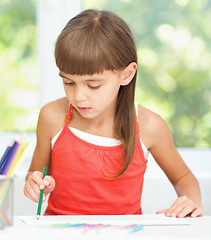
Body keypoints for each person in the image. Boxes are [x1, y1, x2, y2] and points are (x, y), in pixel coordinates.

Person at [24, 9, 203, 218]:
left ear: (126, 74)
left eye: (93, 85)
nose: (79, 96)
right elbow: (36, 173)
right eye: (68, 82)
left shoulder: (149, 126)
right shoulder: (51, 117)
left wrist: (190, 201)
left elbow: (183, 177)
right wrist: (35, 184)